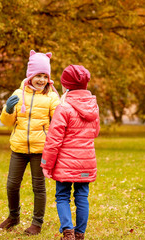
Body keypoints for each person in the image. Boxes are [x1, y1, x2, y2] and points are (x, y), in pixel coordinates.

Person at [0, 50, 60, 235]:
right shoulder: (18, 94)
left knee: (38, 187)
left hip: (40, 150)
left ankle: (37, 223)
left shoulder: (51, 97)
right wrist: (8, 110)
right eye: (38, 76)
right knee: (11, 185)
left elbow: (58, 122)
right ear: (30, 75)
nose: (41, 80)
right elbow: (7, 122)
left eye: (44, 76)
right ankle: (13, 216)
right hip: (18, 148)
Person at [41, 65, 100, 240]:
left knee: (62, 196)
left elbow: (53, 141)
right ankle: (80, 233)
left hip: (65, 163)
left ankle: (68, 232)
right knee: (82, 196)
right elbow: (95, 132)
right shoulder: (93, 107)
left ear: (66, 86)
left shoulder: (64, 108)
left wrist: (46, 165)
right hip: (86, 161)